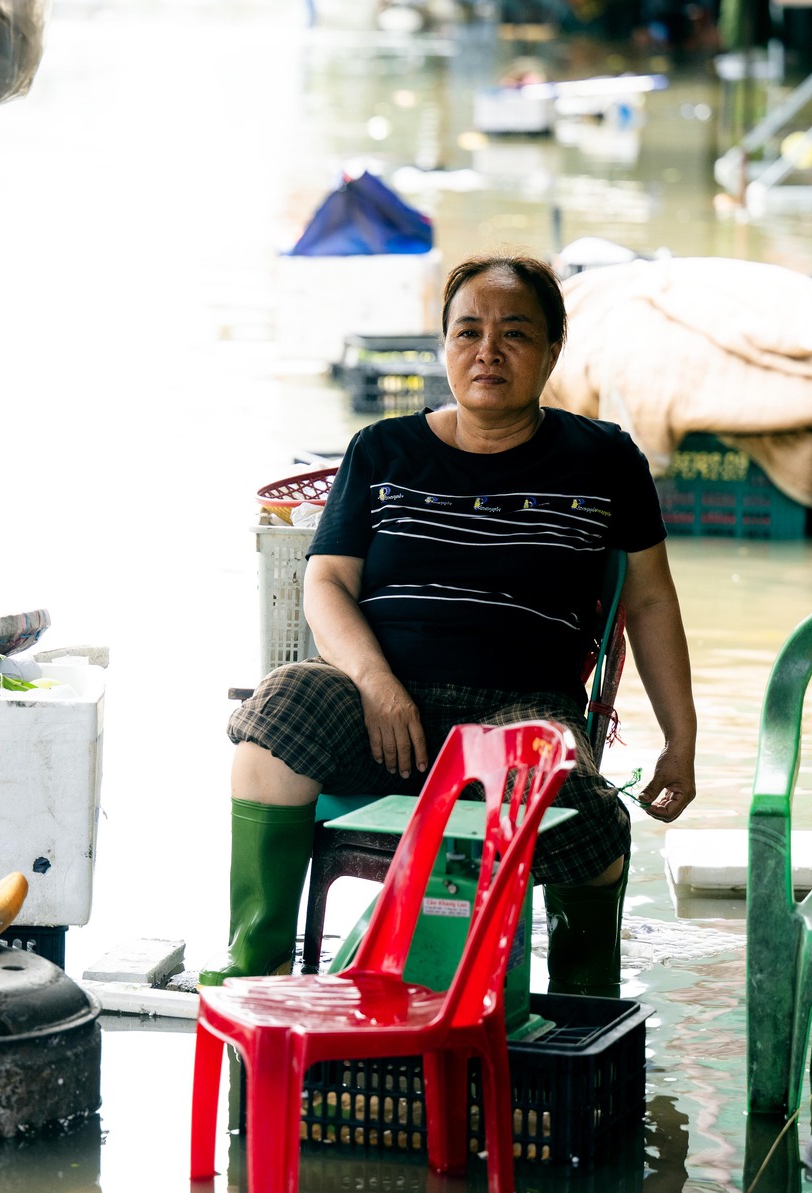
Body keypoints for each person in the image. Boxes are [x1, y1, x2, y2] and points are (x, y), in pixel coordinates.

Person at [211, 253, 698, 989]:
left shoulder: (604, 461)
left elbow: (651, 599)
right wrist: (374, 681)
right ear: (443, 346)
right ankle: (261, 979)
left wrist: (681, 739)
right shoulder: (382, 450)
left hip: (522, 709)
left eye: (516, 333)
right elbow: (327, 583)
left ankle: (577, 1018)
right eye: (467, 331)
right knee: (275, 717)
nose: (488, 351)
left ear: (553, 350)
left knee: (583, 812)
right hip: (383, 711)